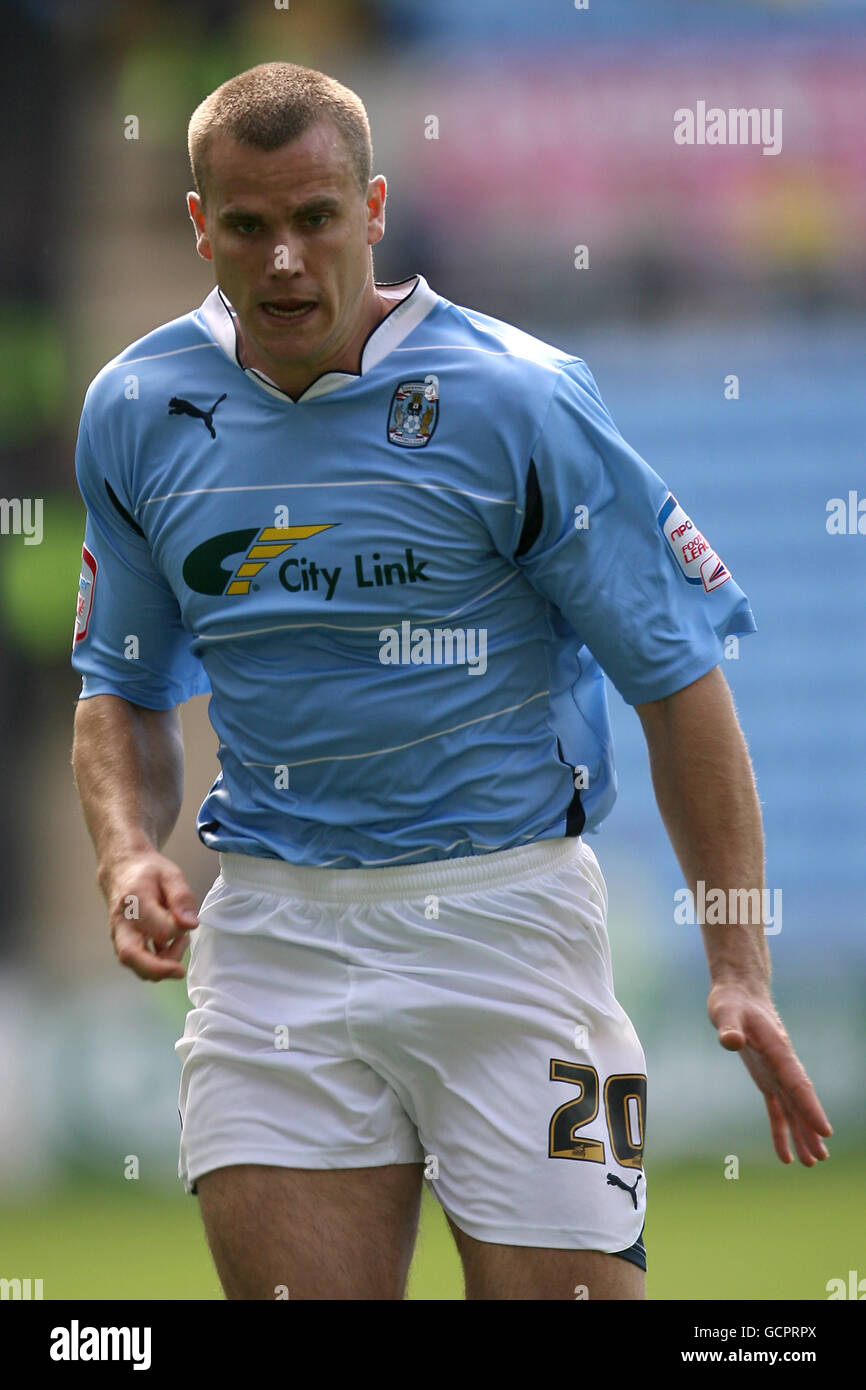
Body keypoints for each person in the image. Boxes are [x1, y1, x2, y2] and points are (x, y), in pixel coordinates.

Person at [70, 61, 831, 1302]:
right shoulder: (137, 409)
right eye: (249, 227)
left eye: (314, 219)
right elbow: (123, 686)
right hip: (271, 940)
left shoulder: (519, 401)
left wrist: (737, 963)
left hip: (513, 934)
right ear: (199, 226)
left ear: (372, 211)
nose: (282, 262)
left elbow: (677, 680)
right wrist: (122, 851)